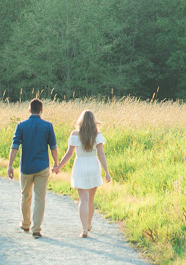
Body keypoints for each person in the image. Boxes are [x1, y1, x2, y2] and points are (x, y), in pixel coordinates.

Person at [53, 109, 109, 238]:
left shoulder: (75, 134)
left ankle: (84, 229)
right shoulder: (97, 135)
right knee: (91, 199)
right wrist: (107, 172)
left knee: (83, 199)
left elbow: (69, 154)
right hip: (93, 165)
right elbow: (101, 154)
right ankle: (89, 223)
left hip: (80, 166)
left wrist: (59, 167)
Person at [6, 98, 57, 238]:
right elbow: (53, 147)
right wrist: (56, 163)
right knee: (40, 197)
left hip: (26, 167)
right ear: (41, 110)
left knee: (25, 196)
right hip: (42, 167)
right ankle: (36, 228)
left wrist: (10, 165)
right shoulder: (48, 126)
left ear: (29, 110)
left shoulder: (21, 125)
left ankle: (25, 223)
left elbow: (15, 146)